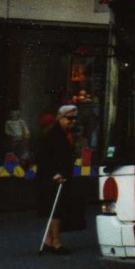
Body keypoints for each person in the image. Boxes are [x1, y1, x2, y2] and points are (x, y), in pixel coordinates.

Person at [36, 105, 79, 255]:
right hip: (53, 177)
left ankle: (48, 240)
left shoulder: (65, 133)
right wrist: (54, 173)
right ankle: (56, 243)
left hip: (60, 176)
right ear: (60, 117)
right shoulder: (53, 134)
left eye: (75, 118)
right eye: (70, 118)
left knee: (54, 209)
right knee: (56, 211)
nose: (73, 121)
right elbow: (43, 156)